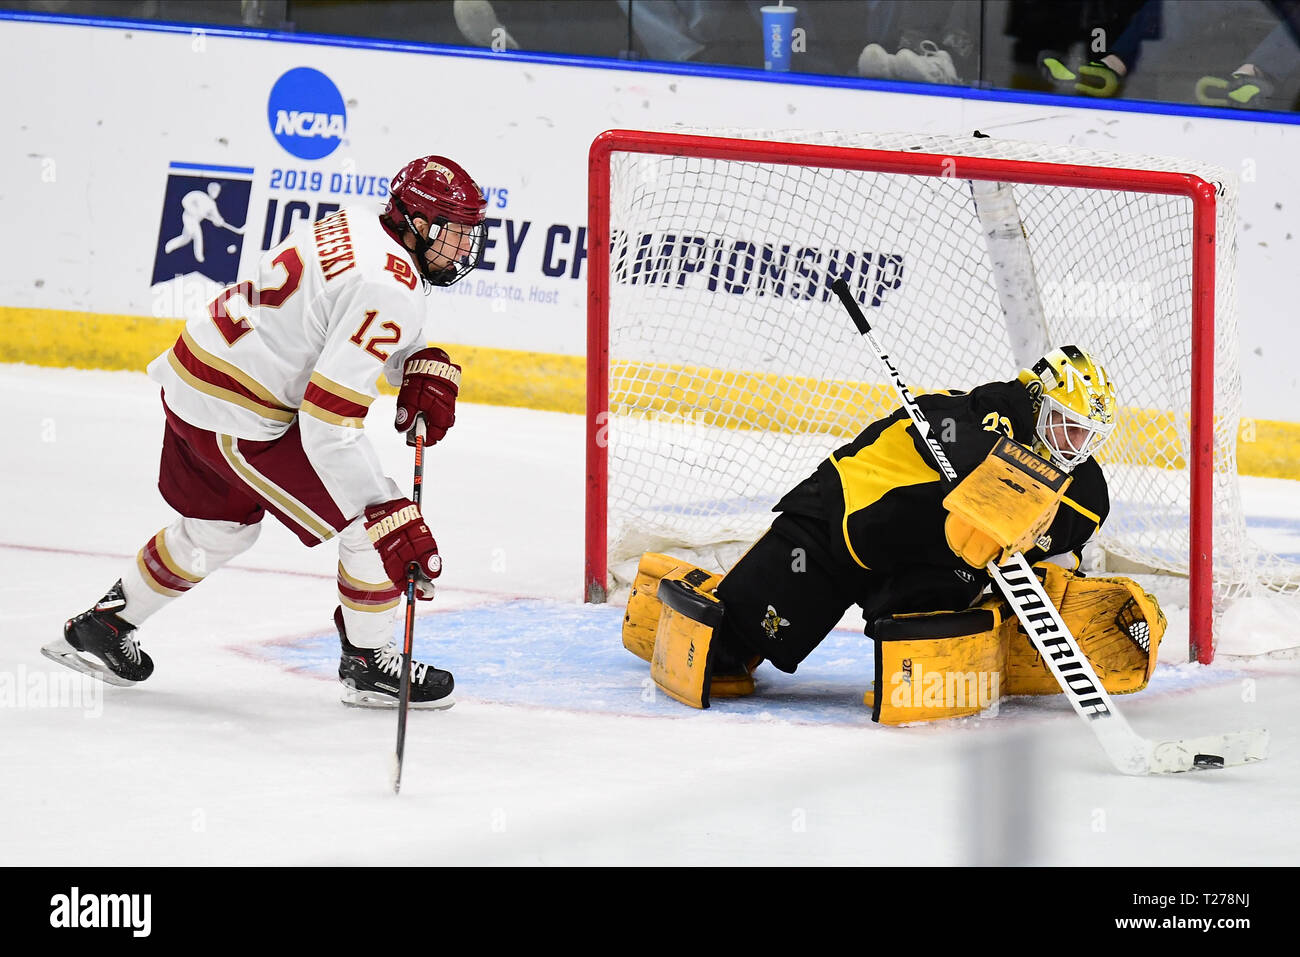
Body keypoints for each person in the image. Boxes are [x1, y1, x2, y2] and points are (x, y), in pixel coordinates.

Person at [44, 156, 488, 710]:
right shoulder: (392, 286)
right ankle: (369, 665)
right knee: (371, 526)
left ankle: (101, 628)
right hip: (239, 414)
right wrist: (383, 510)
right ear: (416, 224)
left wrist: (415, 362)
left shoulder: (357, 224)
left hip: (193, 379)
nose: (465, 248)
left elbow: (332, 316)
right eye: (455, 232)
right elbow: (328, 423)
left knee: (219, 530)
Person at [623, 346, 1165, 719]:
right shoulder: (973, 417)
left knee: (932, 648)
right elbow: (970, 447)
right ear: (1034, 403)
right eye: (1067, 424)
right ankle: (685, 606)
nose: (1075, 444)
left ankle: (979, 645)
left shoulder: (1086, 490)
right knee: (723, 658)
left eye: (1087, 434)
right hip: (840, 527)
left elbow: (1057, 534)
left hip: (924, 563)